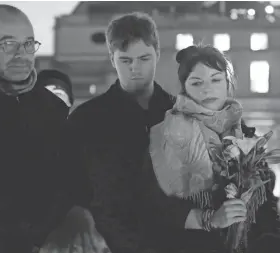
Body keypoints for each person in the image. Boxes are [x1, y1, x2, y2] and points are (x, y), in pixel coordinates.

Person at [0, 5, 98, 253]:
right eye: (8, 44)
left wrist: (76, 213)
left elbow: (76, 181)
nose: (22, 54)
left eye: (28, 44)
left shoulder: (52, 109)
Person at [66, 12, 196, 253]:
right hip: (111, 245)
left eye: (144, 58)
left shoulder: (185, 116)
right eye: (126, 60)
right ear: (112, 59)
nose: (135, 68)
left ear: (157, 54)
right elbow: (71, 189)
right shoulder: (86, 121)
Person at [149, 44, 280, 253]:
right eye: (196, 82)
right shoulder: (165, 135)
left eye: (216, 79)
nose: (207, 88)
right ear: (185, 88)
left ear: (227, 83)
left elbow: (267, 207)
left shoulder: (247, 138)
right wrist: (209, 219)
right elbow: (152, 204)